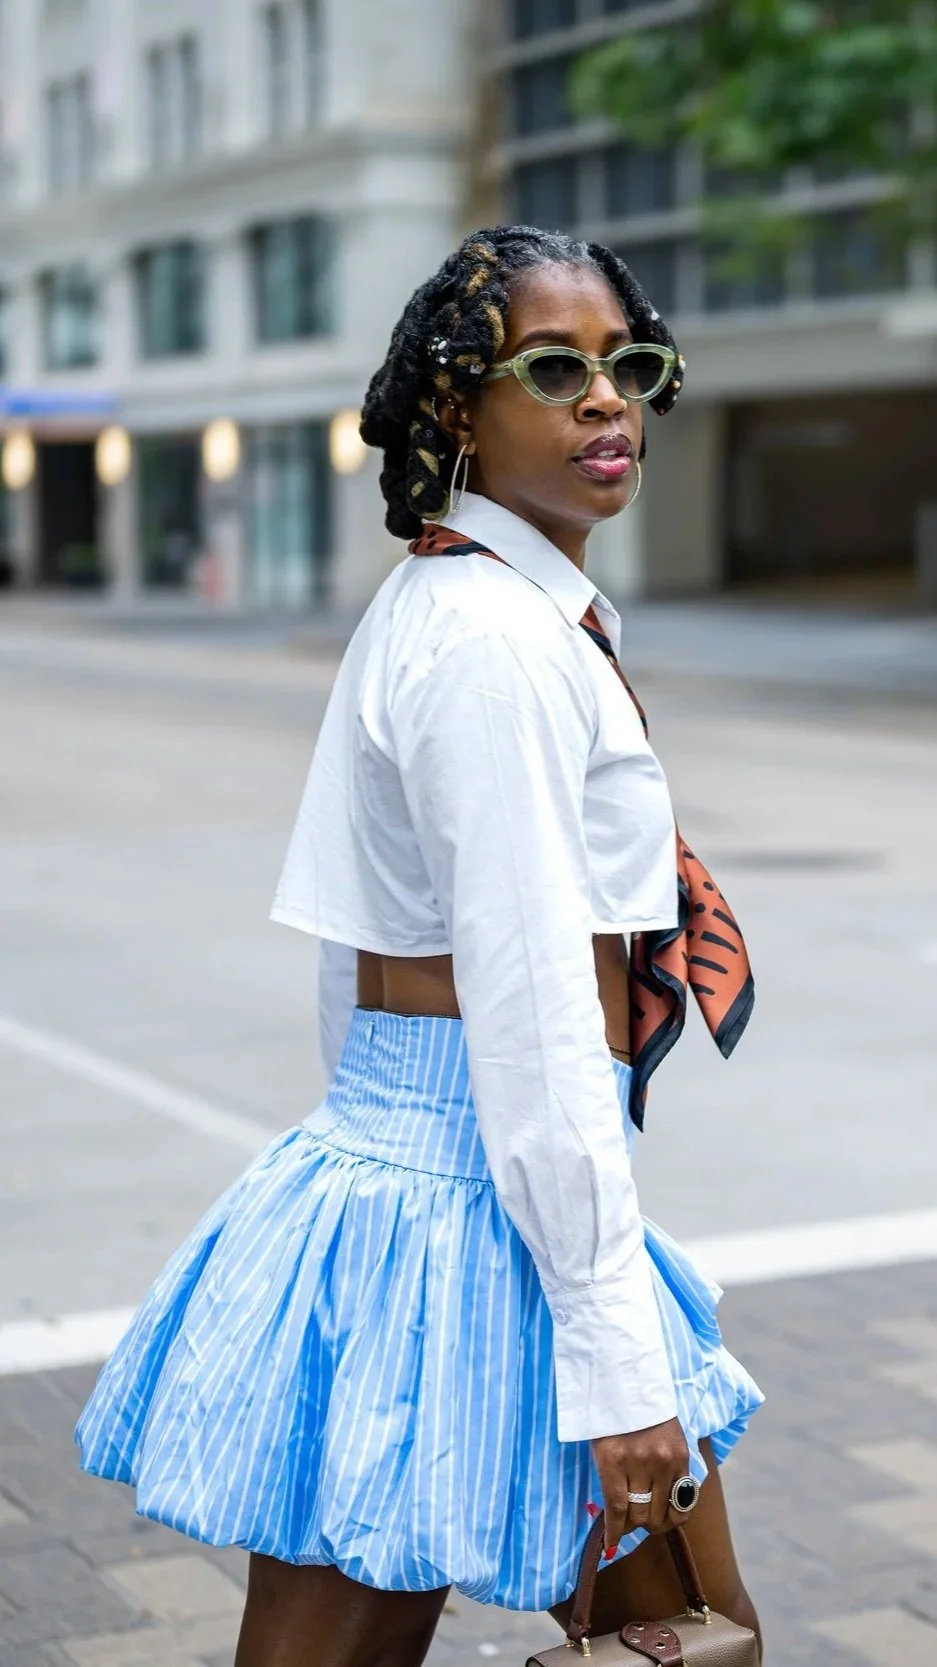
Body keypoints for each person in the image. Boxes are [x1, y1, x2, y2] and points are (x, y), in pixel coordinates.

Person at [76, 225, 764, 1667]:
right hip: (463, 1198)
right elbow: (529, 1004)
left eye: (627, 364)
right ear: (458, 404)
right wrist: (612, 1351)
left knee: (693, 1635)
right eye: (555, 368)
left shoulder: (473, 609)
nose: (606, 400)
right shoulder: (494, 645)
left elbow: (361, 956)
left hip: (462, 1175)